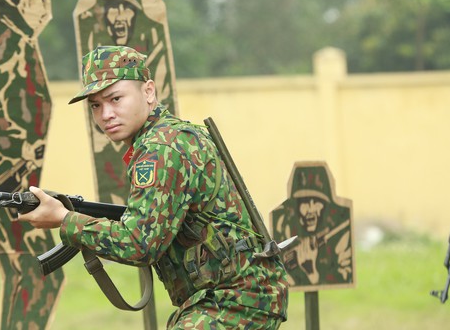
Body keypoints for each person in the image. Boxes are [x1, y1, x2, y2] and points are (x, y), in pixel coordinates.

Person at [16, 45, 289, 328]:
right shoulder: (172, 135)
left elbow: (139, 244)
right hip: (237, 297)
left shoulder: (160, 148)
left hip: (235, 301)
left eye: (116, 99)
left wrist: (64, 219)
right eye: (96, 105)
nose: (106, 114)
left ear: (148, 92)